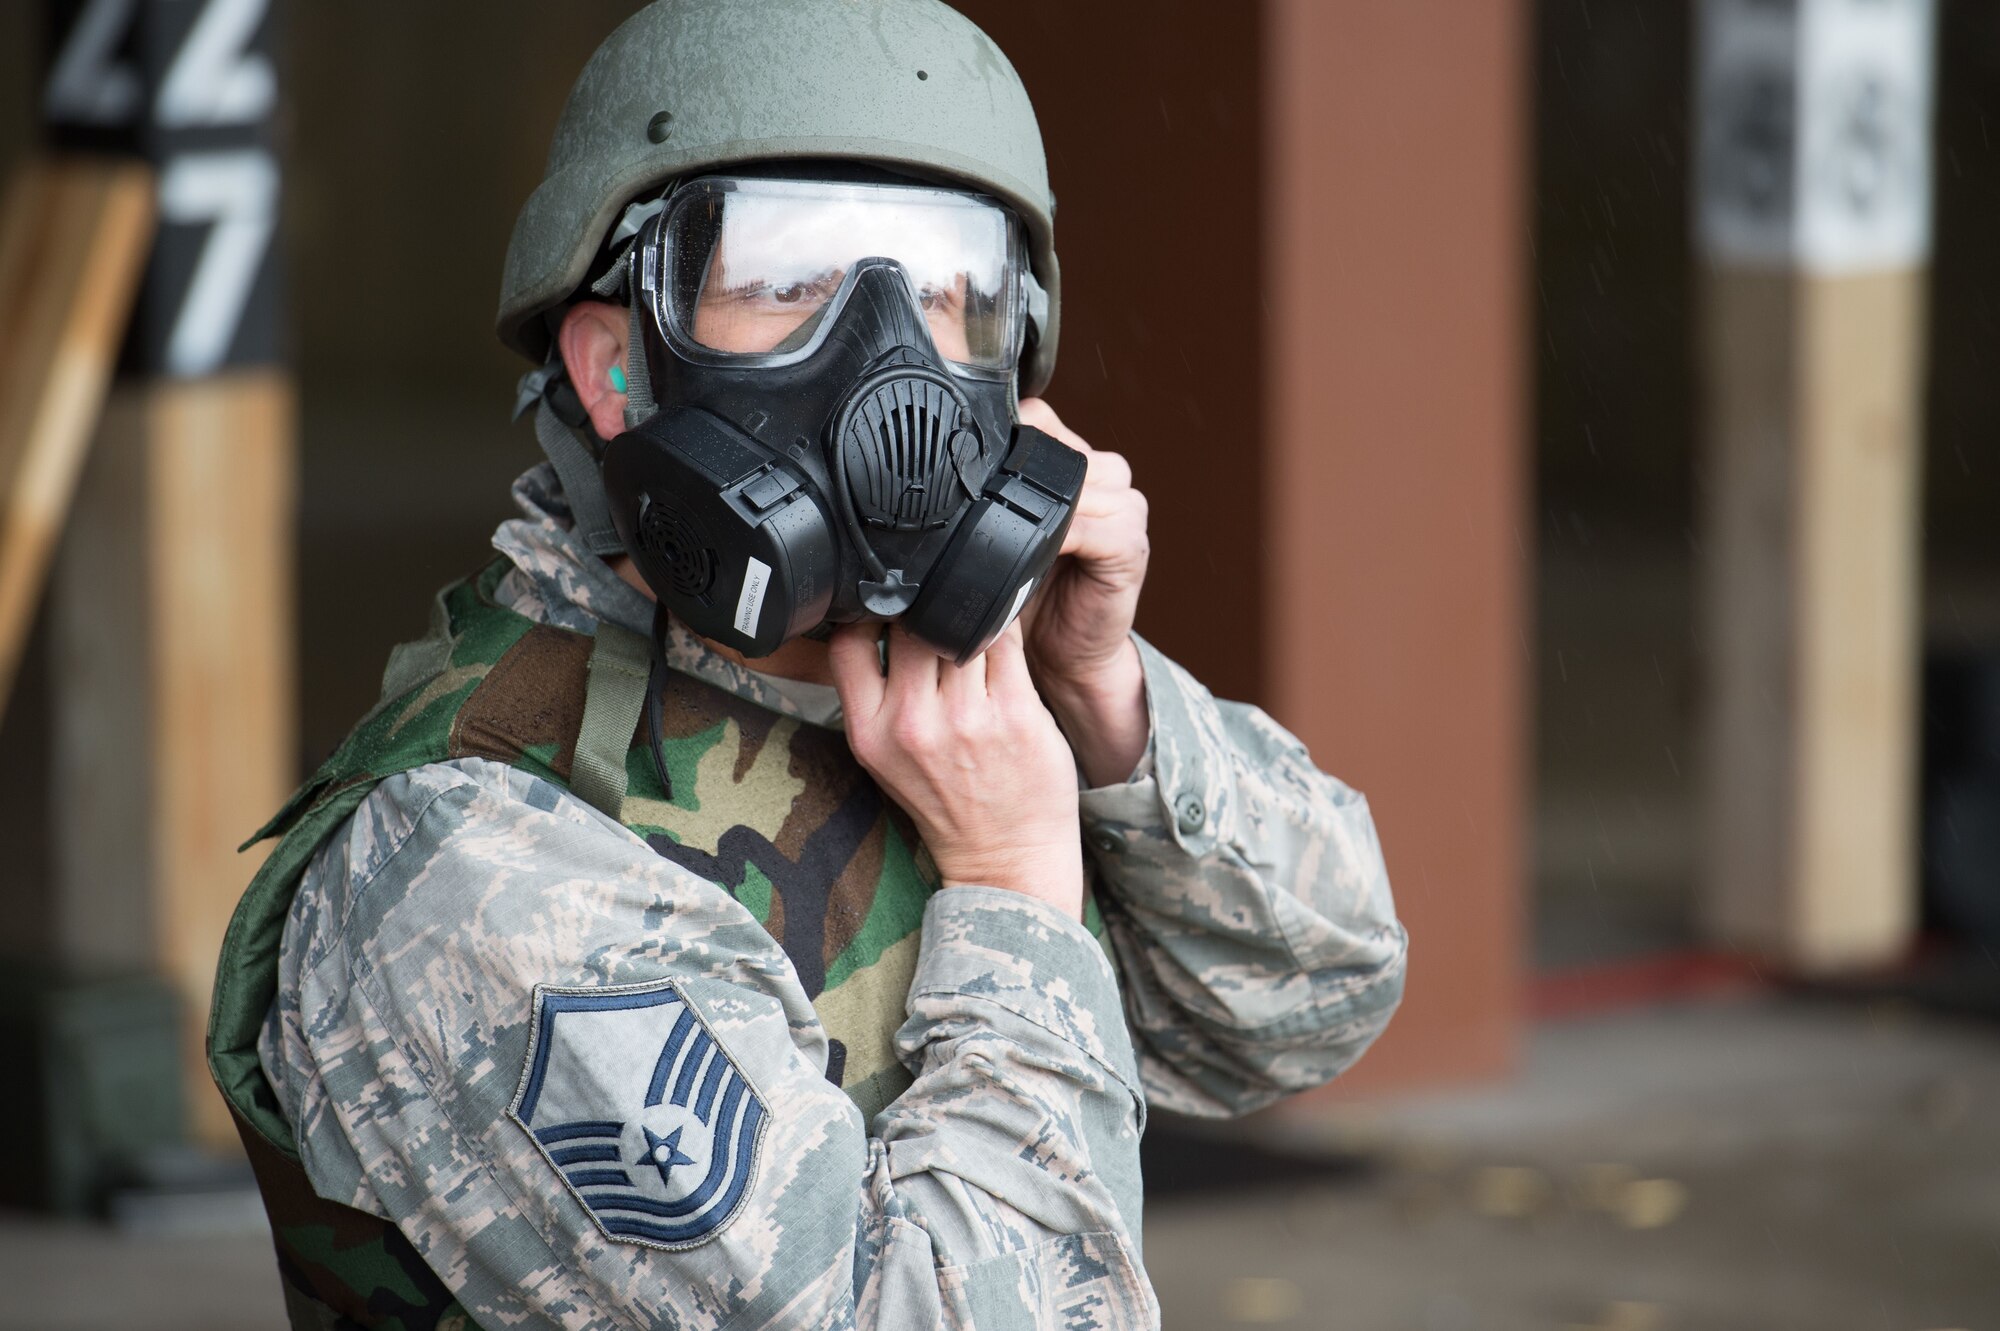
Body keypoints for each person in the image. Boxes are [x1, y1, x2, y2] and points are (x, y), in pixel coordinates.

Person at [205, 3, 1407, 1328]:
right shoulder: (469, 866)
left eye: (951, 294)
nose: (890, 358)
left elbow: (1313, 999)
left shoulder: (947, 701)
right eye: (788, 284)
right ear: (613, 366)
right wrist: (1013, 887)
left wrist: (1104, 705)